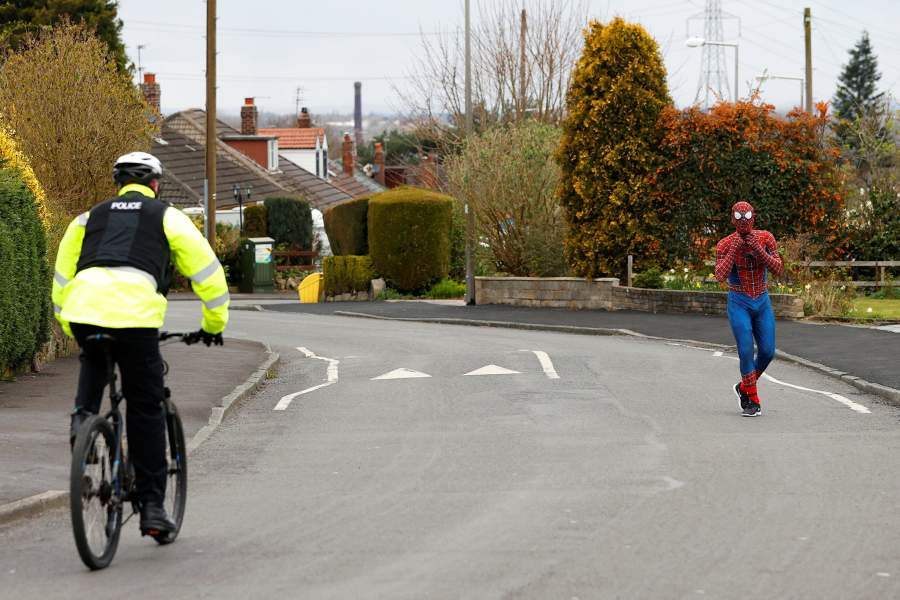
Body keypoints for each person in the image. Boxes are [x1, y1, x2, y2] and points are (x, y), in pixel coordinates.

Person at [52, 152, 229, 535]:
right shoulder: (166, 217)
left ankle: (82, 424)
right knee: (146, 406)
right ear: (155, 184)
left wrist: (71, 326)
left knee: (94, 362)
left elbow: (62, 280)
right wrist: (213, 325)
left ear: (117, 184)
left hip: (85, 313)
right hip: (135, 321)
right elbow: (209, 274)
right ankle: (151, 508)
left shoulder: (86, 219)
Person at [714, 201, 783, 417]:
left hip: (761, 300)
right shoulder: (724, 244)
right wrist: (735, 247)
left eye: (747, 216)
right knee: (745, 349)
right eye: (738, 216)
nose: (743, 221)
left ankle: (743, 387)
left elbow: (778, 268)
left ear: (753, 217)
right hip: (738, 300)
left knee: (767, 351)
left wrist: (759, 250)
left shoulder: (766, 237)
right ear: (732, 219)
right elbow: (719, 275)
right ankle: (752, 400)